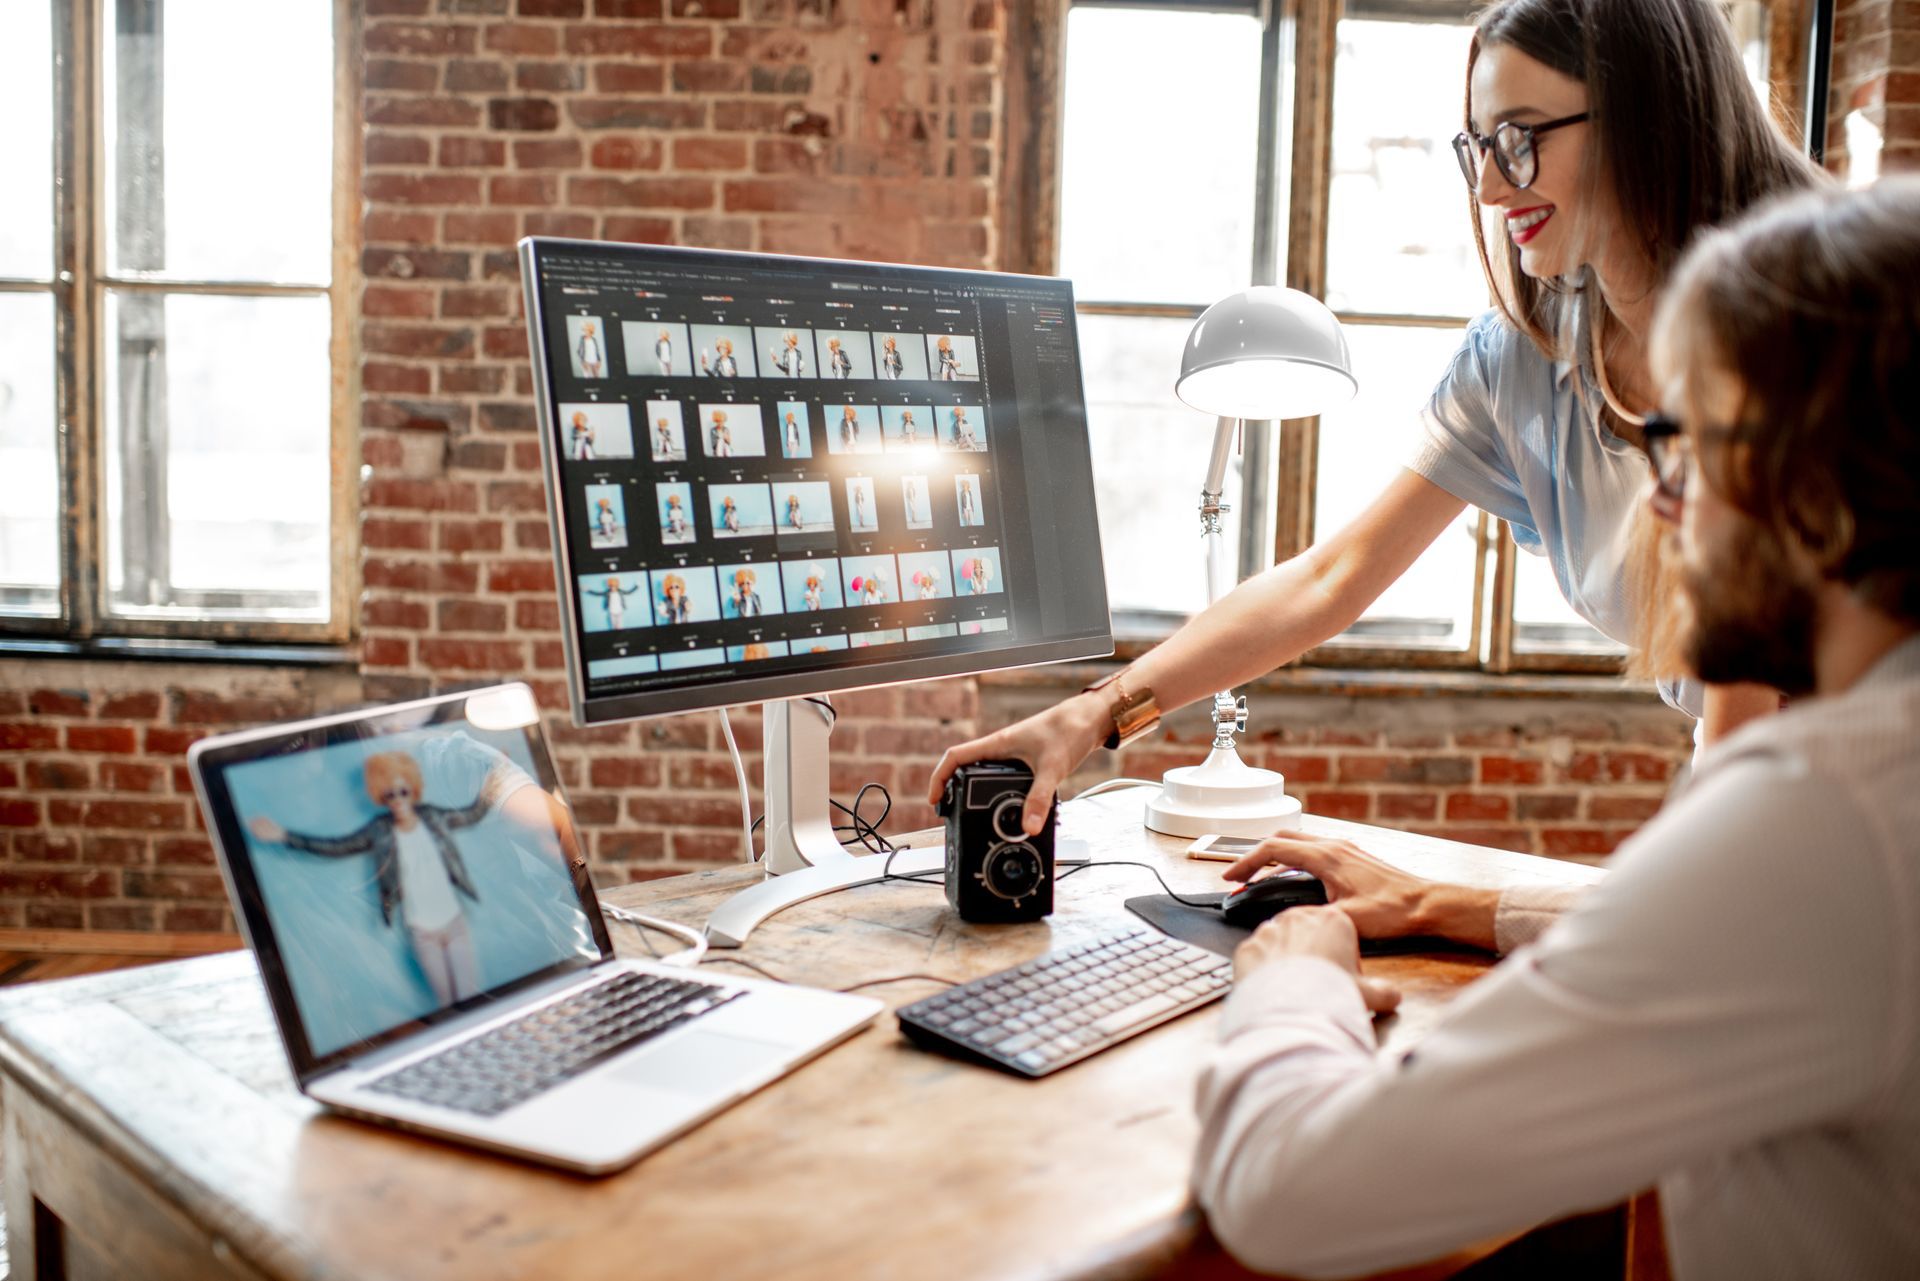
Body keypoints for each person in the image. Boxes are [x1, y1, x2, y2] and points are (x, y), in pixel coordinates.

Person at [1191, 178, 1920, 1280]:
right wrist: (1457, 905)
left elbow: (1293, 1193)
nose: (1662, 506)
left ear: (1821, 489)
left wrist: (1296, 973)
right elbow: (1734, 951)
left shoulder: (1828, 811)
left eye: (1688, 444)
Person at [930, 0, 1824, 838]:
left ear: (1643, 116)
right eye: (1476, 148)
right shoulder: (1523, 356)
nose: (1488, 190)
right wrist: (1087, 716)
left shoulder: (1790, 342)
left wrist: (1442, 900)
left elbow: (1748, 755)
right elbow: (1332, 578)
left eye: (1519, 141)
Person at [249, 749, 528, 1005]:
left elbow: (473, 814)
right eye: (390, 795)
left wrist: (494, 782)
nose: (397, 800)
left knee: (471, 999)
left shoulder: (433, 816)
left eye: (403, 791)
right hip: (423, 932)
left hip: (454, 923)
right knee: (448, 1005)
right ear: (380, 795)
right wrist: (285, 836)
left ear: (413, 789)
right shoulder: (379, 830)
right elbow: (337, 846)